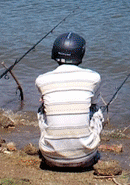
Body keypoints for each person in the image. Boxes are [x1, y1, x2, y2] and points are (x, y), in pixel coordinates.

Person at [35, 32, 103, 168]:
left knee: (42, 107)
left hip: (50, 157)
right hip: (85, 158)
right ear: (81, 54)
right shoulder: (94, 77)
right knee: (96, 109)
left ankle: (55, 145)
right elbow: (93, 104)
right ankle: (84, 147)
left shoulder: (41, 80)